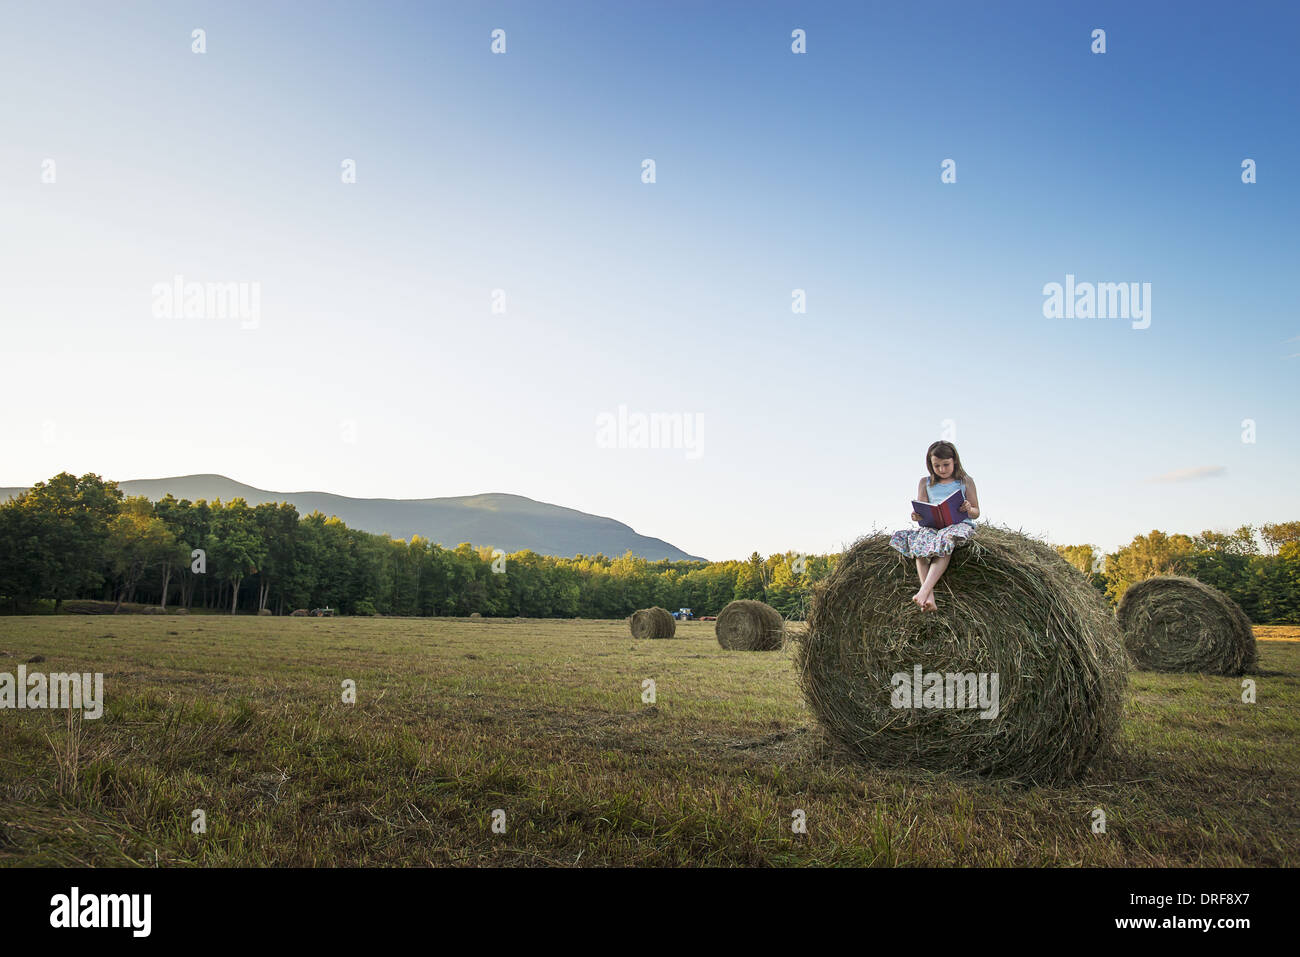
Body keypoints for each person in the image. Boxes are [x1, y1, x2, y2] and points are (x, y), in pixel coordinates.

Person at [888, 440, 980, 611]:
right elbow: (922, 508)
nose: (942, 469)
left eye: (946, 465)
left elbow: (976, 512)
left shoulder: (965, 481)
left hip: (957, 525)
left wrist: (968, 508)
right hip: (933, 526)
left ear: (955, 462)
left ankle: (923, 591)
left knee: (945, 542)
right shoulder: (925, 482)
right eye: (936, 466)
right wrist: (917, 516)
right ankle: (929, 598)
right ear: (930, 465)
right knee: (919, 544)